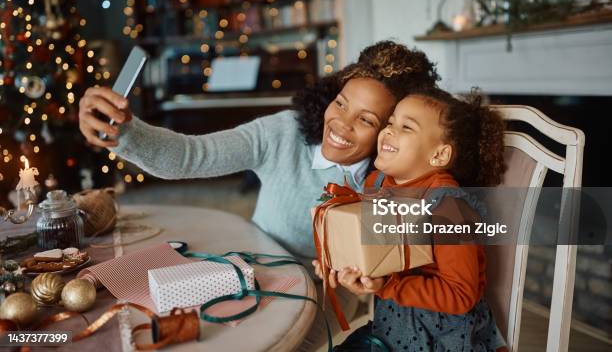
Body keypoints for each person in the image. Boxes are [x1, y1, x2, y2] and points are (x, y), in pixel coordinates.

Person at [78, 40, 441, 350]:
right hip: (252, 266)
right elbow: (192, 155)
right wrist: (124, 133)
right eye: (342, 103)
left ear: (390, 132)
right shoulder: (283, 132)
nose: (342, 124)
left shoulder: (395, 185)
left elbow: (405, 265)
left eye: (367, 120)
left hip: (323, 293)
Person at [315, 88, 509, 351]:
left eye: (407, 127)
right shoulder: (378, 183)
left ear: (439, 155)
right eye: (391, 121)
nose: (389, 130)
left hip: (444, 337)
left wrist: (389, 285)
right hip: (391, 326)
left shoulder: (449, 208)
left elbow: (461, 295)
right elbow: (372, 252)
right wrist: (339, 261)